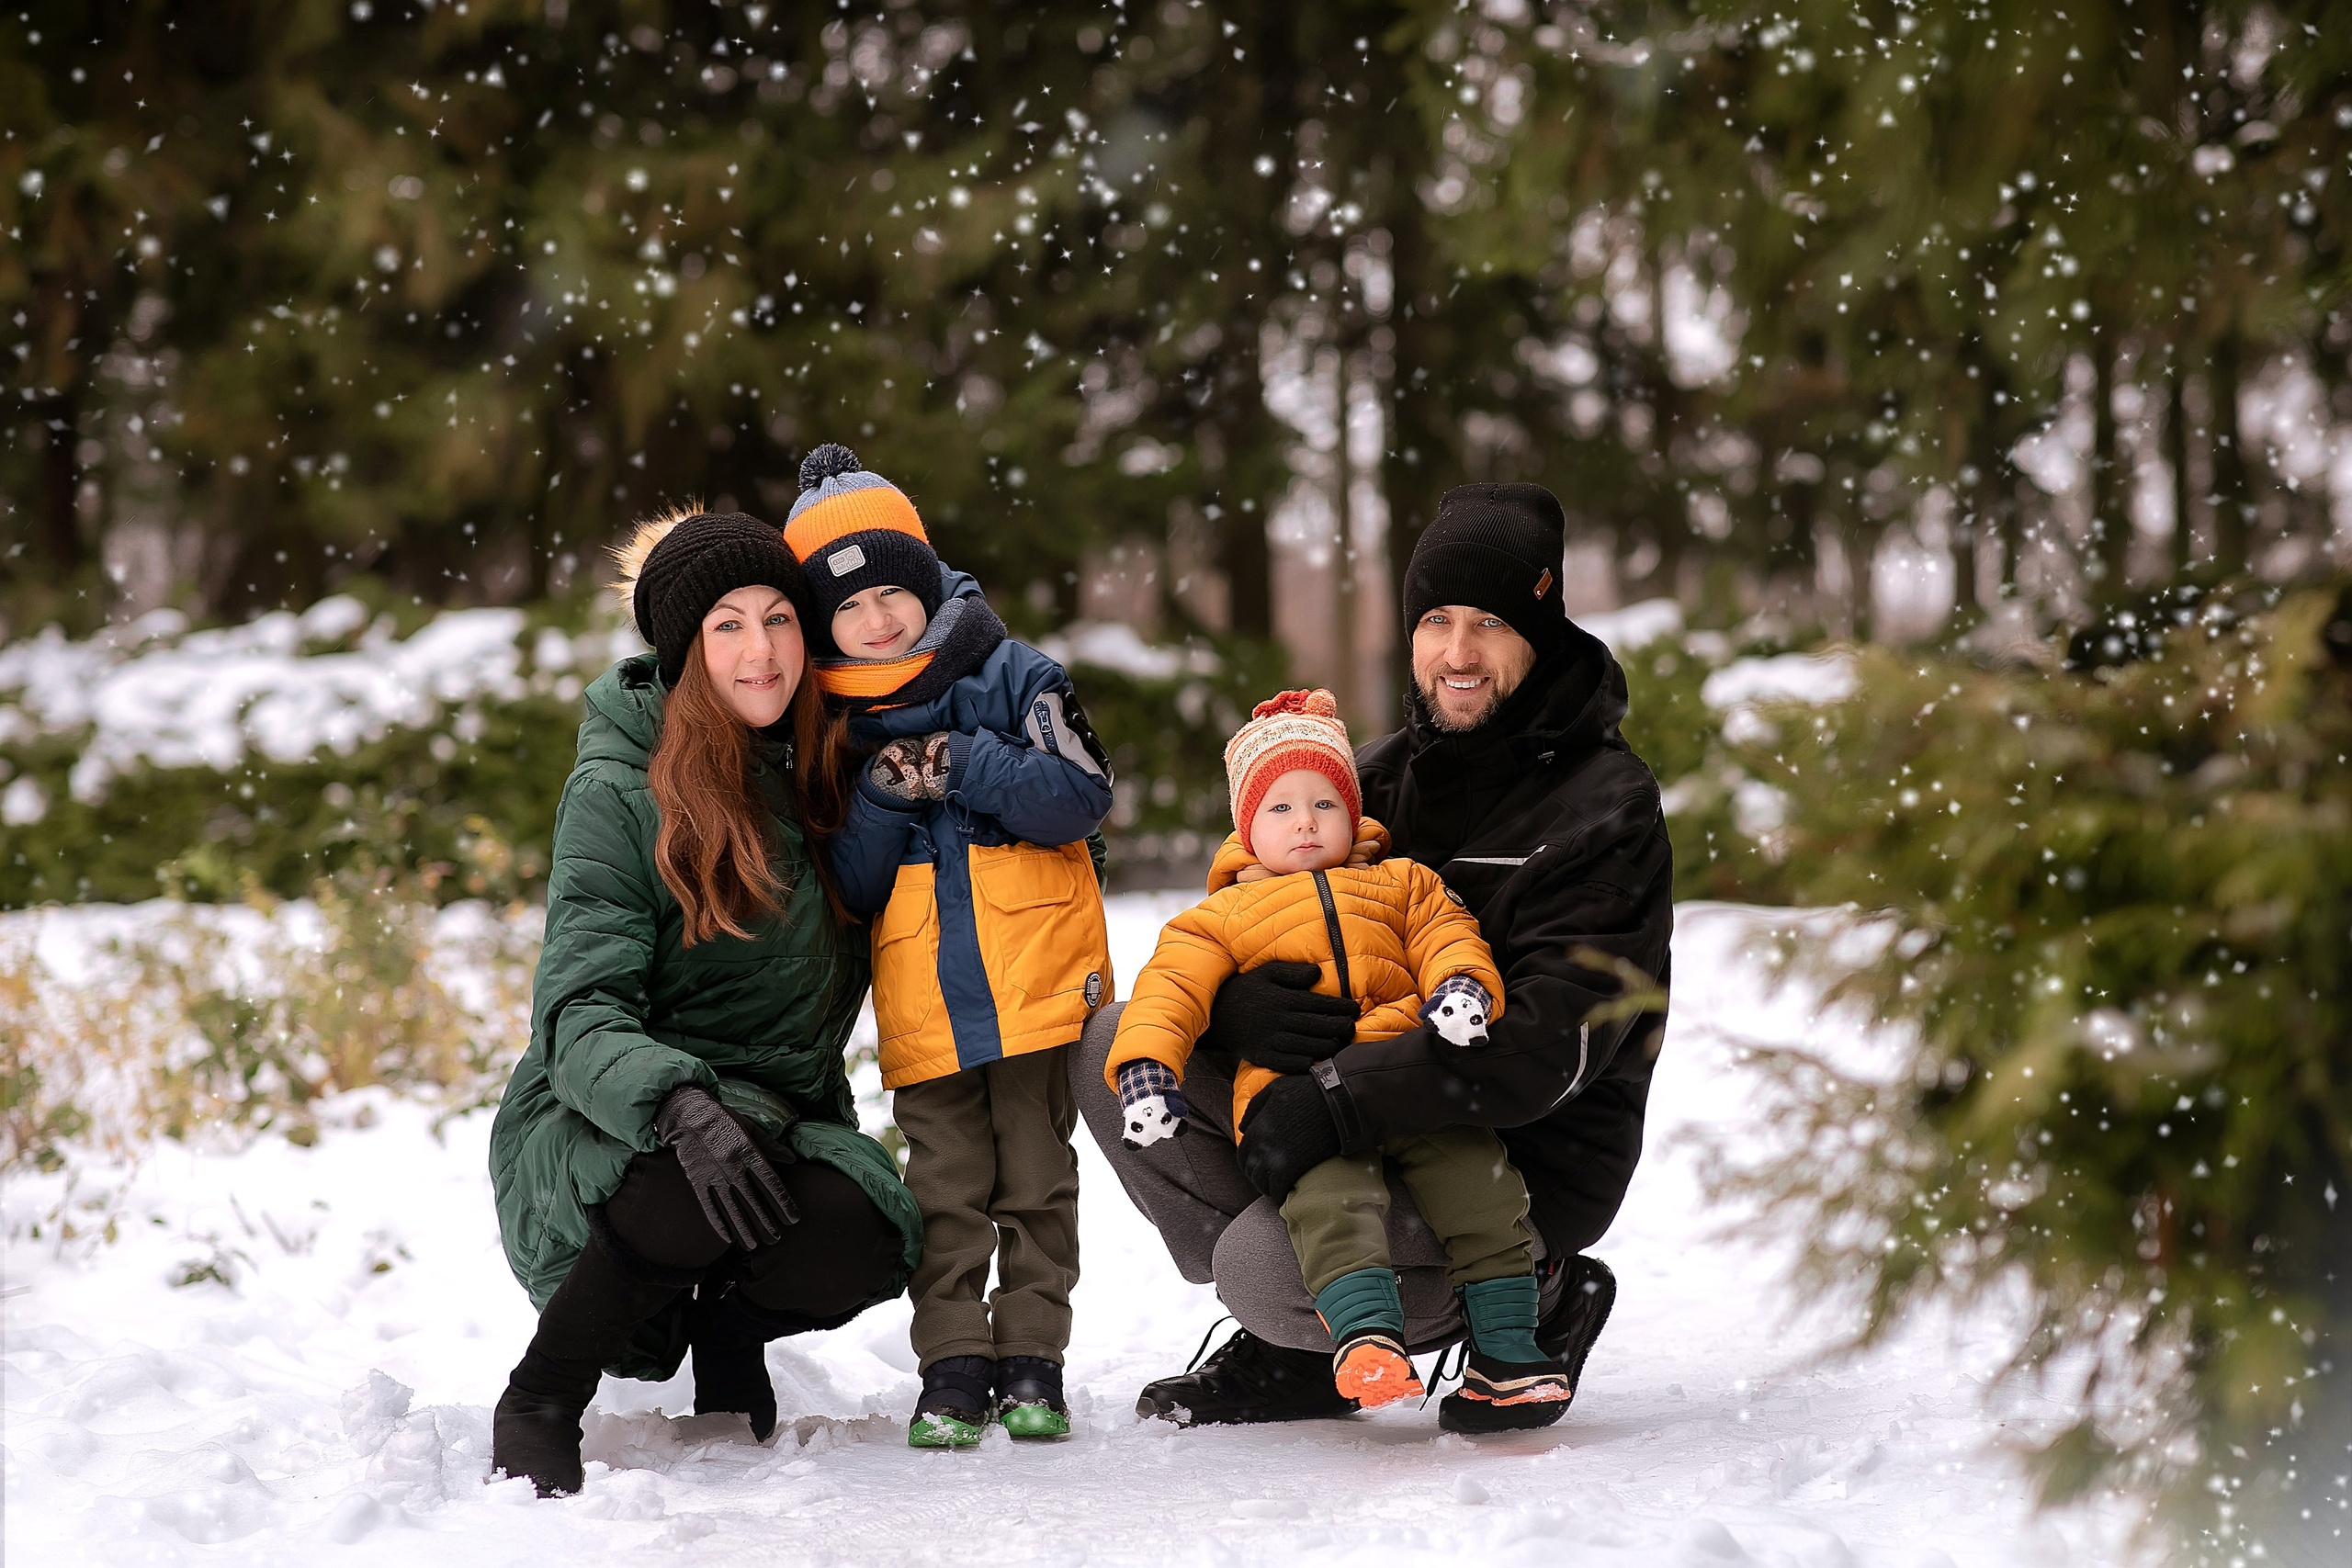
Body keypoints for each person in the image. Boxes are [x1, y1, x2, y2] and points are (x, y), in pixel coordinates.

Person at [1074, 480, 1674, 1427]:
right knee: (1116, 1044)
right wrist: (1233, 1009)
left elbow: (1549, 1048)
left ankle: (1536, 1290)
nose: (1457, 654)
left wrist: (1335, 1100)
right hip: (1350, 1115)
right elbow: (1258, 914)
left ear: (1542, 627)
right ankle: (1322, 1336)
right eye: (1435, 619)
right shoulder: (1376, 778)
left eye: (1489, 622)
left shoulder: (1604, 806)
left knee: (1261, 1267)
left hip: (1509, 1150)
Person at [487, 507, 923, 1497]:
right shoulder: (619, 789)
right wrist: (679, 1103)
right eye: (727, 625)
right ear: (685, 650)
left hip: (777, 1122)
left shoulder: (827, 775)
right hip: (604, 1118)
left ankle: (730, 1340)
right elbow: (576, 1013)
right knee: (693, 1169)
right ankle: (543, 1392)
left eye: (778, 618)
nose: (761, 650)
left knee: (864, 1226)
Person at [1105, 688, 1575, 1432]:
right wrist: (1147, 1071)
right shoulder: (1214, 918)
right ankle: (1365, 1341)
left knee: (1481, 1192)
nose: (1305, 823)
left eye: (1324, 803)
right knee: (1333, 1205)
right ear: (1245, 826)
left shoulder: (1404, 881)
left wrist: (1461, 989)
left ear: (1353, 812)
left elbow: (1449, 937)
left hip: (1410, 1080)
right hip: (1298, 1102)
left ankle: (1511, 1350)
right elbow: (1168, 993)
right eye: (1280, 808)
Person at [786, 445, 1114, 1448]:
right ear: (821, 626)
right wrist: (886, 792)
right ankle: (953, 1368)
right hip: (927, 1004)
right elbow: (844, 881)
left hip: (1037, 988)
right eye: (847, 606)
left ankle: (1033, 1362)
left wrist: (966, 762)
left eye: (892, 590)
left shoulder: (1016, 676)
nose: (876, 618)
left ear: (927, 583)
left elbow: (1078, 796)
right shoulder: (831, 727)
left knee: (1037, 1186)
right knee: (946, 1196)